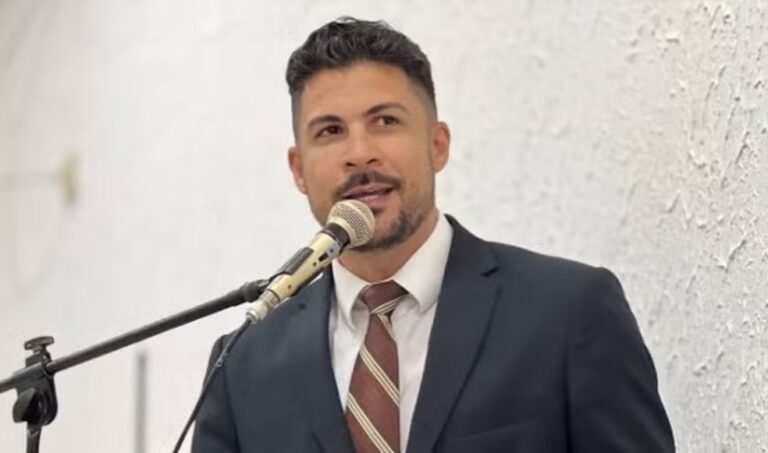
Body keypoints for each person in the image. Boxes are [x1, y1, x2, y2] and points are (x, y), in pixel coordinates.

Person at [192, 17, 675, 453]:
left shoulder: (569, 312)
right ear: (299, 169)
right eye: (330, 131)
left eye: (385, 122)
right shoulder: (243, 364)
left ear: (437, 144)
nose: (360, 153)